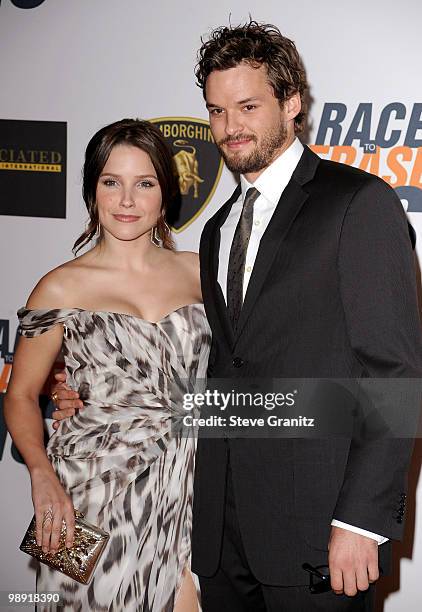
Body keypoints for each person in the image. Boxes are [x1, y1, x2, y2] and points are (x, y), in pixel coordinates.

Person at [51, 21, 422, 612]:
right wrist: (90, 394)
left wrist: (361, 520)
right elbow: (221, 367)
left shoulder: (357, 204)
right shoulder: (219, 228)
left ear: (292, 103)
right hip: (218, 537)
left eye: (248, 106)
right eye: (217, 111)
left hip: (317, 532)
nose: (231, 127)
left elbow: (396, 377)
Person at [4, 118, 210, 612]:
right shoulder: (59, 287)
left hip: (189, 492)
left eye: (145, 183)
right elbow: (18, 394)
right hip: (87, 496)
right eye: (111, 182)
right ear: (92, 190)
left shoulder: (202, 273)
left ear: (166, 193)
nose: (126, 201)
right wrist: (40, 471)